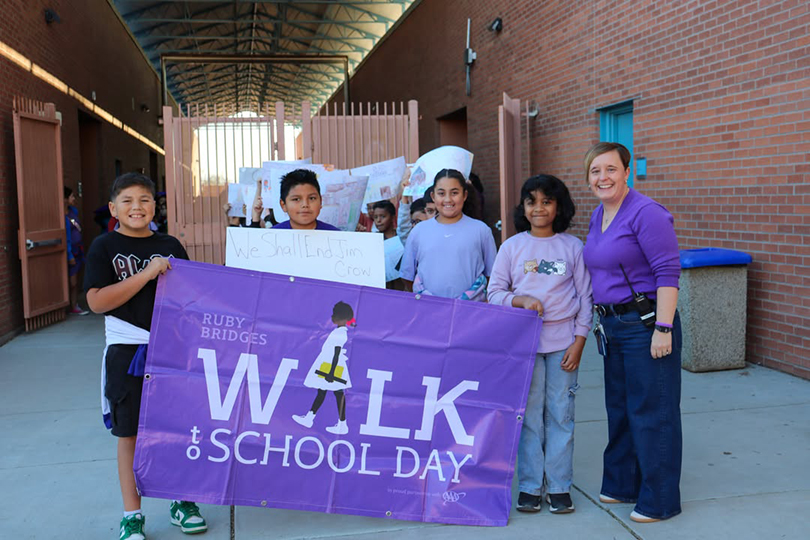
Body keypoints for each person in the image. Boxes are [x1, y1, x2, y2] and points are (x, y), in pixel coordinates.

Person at [84, 173, 208, 540]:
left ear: (156, 206)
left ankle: (181, 501)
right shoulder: (104, 247)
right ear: (113, 208)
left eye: (144, 200)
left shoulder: (170, 243)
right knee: (130, 434)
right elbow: (96, 302)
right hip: (127, 350)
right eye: (127, 201)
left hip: (174, 347)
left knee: (178, 429)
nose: (137, 207)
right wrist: (148, 272)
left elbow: (194, 296)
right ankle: (132, 514)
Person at [581, 142, 682, 523]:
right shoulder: (598, 215)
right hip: (612, 325)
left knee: (653, 411)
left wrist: (663, 328)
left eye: (610, 169)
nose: (602, 177)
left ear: (627, 172)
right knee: (620, 409)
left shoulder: (647, 213)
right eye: (595, 171)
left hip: (646, 325)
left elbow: (667, 274)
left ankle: (659, 501)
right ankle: (622, 485)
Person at [488, 174, 592, 514]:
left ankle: (559, 486)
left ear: (559, 206)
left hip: (563, 344)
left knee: (561, 415)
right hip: (523, 346)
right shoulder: (512, 246)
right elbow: (494, 293)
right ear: (523, 207)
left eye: (547, 201)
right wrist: (520, 301)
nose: (539, 208)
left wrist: (579, 341)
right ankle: (531, 486)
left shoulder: (572, 247)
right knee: (529, 417)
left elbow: (585, 298)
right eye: (532, 201)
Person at [400, 169, 496, 301]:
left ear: (465, 195)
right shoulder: (419, 231)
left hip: (471, 313)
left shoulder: (481, 230)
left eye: (454, 193)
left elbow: (492, 276)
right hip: (428, 311)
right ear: (433, 197)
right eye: (441, 193)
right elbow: (407, 276)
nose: (448, 199)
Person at [292, 301, 356, 435]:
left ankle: (339, 424)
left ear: (342, 318)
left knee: (336, 394)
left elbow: (336, 353)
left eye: (335, 315)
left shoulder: (340, 333)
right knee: (328, 393)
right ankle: (313, 418)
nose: (332, 317)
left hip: (332, 367)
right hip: (329, 365)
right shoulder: (338, 331)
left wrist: (331, 373)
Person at [273, 169, 339, 230]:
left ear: (320, 201)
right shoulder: (271, 236)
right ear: (283, 205)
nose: (305, 205)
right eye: (296, 199)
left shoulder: (337, 236)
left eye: (311, 198)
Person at [64, 187, 89, 315]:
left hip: (78, 250)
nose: (74, 199)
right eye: (72, 196)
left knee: (76, 280)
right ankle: (66, 305)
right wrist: (69, 255)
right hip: (70, 252)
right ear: (65, 199)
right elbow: (66, 237)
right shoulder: (62, 217)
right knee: (71, 282)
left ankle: (74, 305)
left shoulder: (74, 212)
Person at [372, 200, 404, 290]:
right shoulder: (373, 240)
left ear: (393, 217)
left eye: (383, 216)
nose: (378, 220)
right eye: (375, 217)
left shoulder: (401, 237)